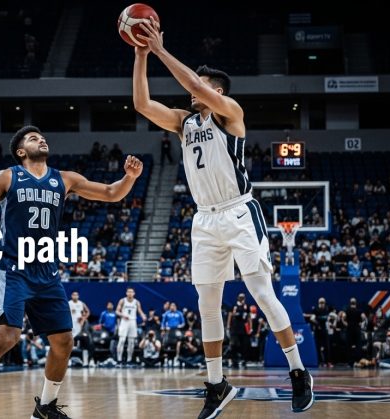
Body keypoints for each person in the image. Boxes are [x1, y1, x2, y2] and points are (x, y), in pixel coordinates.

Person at [132, 19, 313, 417]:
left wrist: (160, 49)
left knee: (262, 294)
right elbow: (143, 105)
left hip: (239, 212)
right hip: (205, 219)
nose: (194, 87)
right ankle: (216, 384)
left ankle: (298, 371)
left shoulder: (231, 113)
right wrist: (141, 55)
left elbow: (195, 87)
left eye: (203, 83)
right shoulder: (185, 123)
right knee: (206, 303)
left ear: (218, 91)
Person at [0, 125, 143, 419]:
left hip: (47, 271)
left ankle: (46, 407)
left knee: (64, 341)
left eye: (42, 136)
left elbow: (111, 193)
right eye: (33, 138)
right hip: (13, 268)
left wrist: (130, 177)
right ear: (22, 151)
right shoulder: (8, 176)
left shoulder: (65, 179)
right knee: (7, 338)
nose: (42, 138)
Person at [115, 287, 146, 365]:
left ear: (134, 293)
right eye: (128, 292)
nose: (130, 293)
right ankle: (119, 360)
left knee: (131, 342)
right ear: (126, 293)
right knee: (121, 340)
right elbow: (117, 311)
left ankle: (129, 360)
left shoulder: (136, 302)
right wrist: (123, 315)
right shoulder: (122, 301)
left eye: (131, 292)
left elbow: (140, 311)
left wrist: (143, 316)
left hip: (132, 321)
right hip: (124, 321)